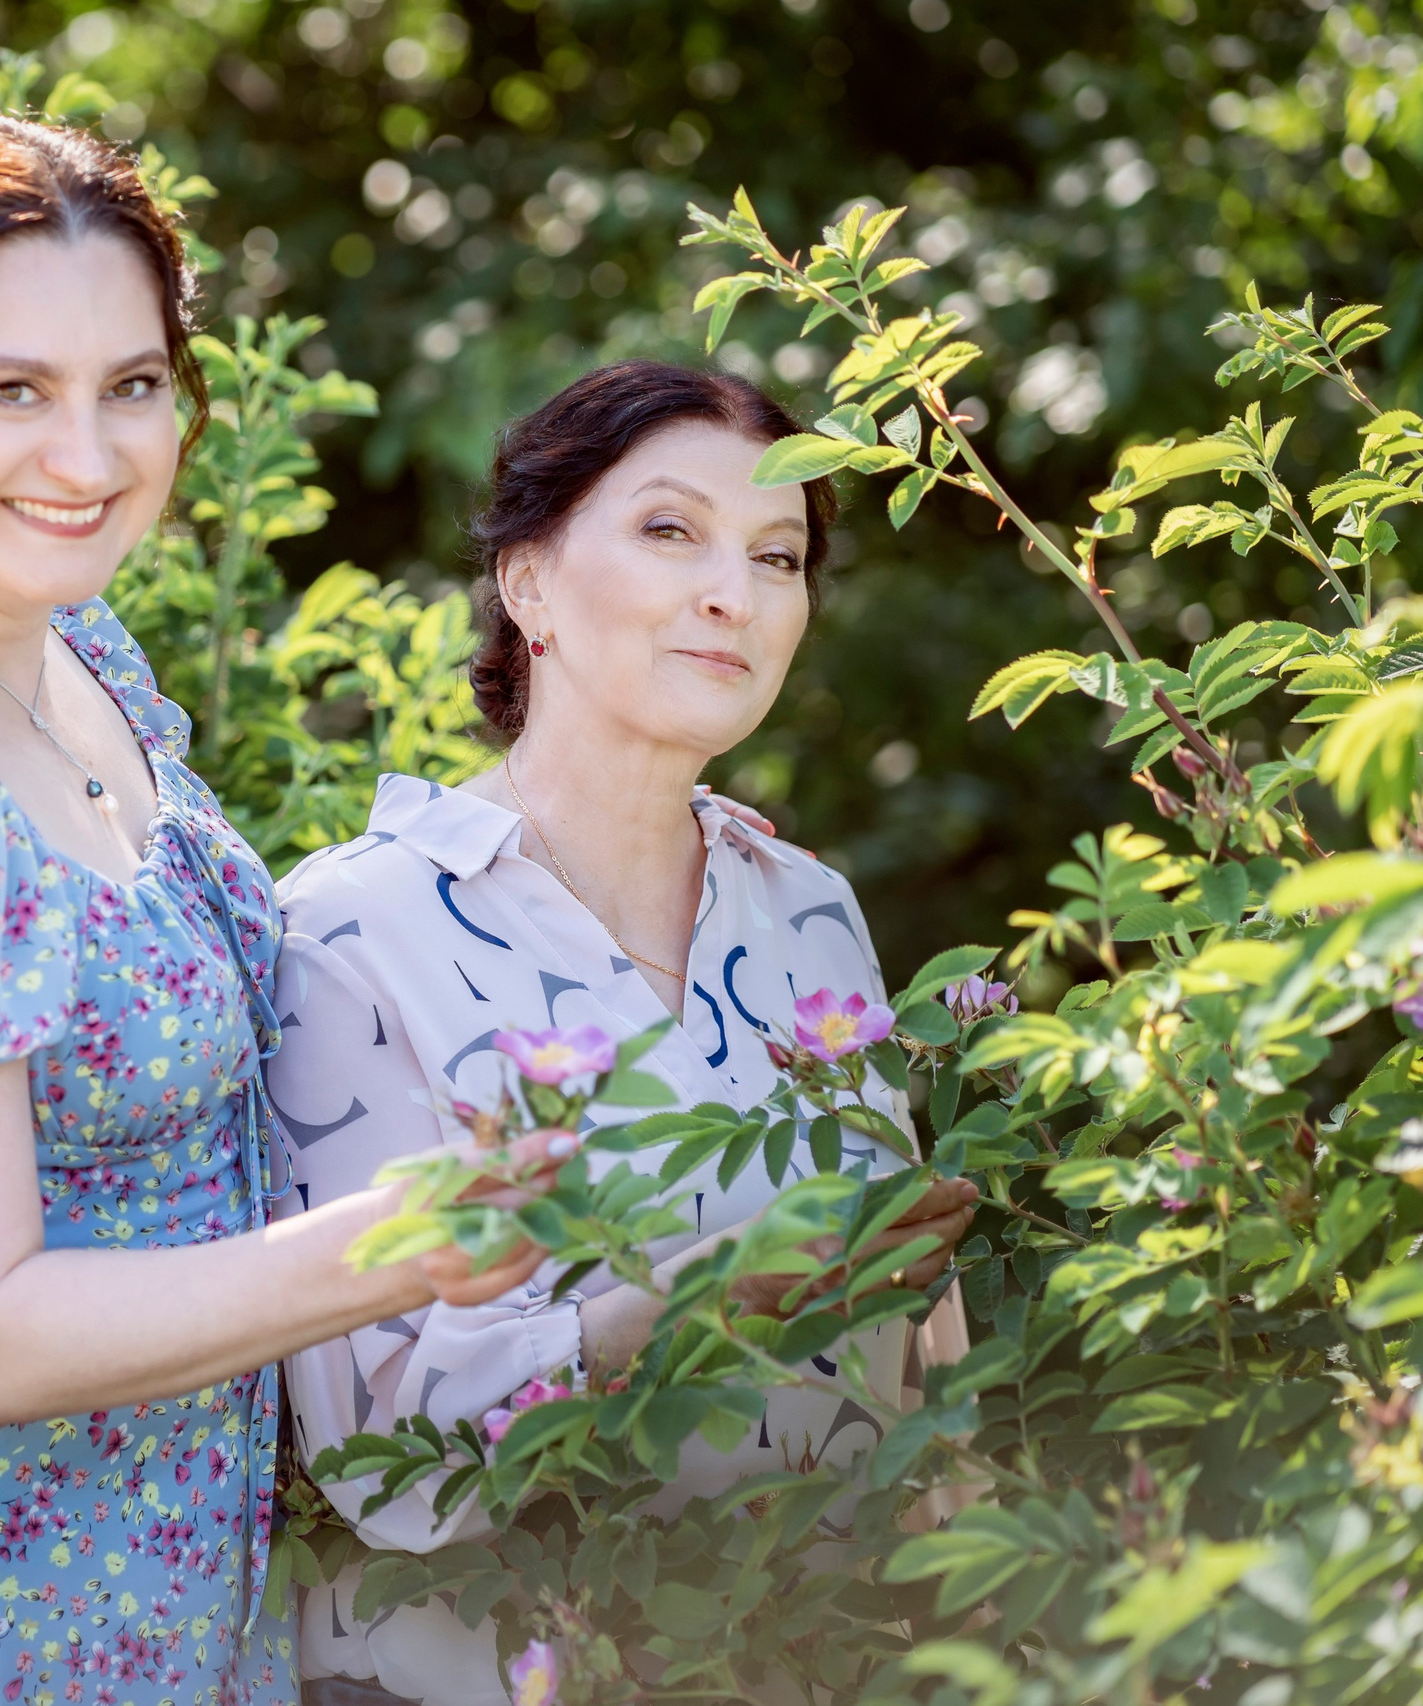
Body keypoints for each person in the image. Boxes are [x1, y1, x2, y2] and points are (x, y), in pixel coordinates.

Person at [0, 113, 572, 1706]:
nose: (90, 461)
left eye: (135, 387)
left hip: (165, 1583)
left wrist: (603, 822)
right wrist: (386, 1247)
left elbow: (194, 975)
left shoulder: (54, 636)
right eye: (12, 390)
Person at [270, 362, 980, 1706]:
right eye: (671, 530)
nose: (738, 591)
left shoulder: (810, 908)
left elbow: (916, 1344)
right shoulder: (352, 931)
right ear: (527, 580)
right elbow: (381, 1460)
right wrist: (692, 1303)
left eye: (779, 556)